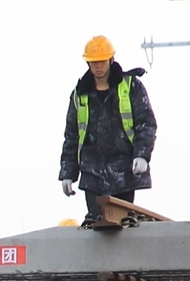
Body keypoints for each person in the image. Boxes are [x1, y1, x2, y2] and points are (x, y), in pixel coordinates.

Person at [57, 36, 157, 229]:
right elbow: (72, 137)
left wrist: (142, 155)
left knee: (124, 225)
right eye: (94, 63)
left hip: (124, 169)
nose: (98, 67)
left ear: (111, 60)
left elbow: (146, 123)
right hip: (92, 171)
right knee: (95, 224)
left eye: (102, 61)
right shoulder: (80, 95)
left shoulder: (130, 87)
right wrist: (68, 173)